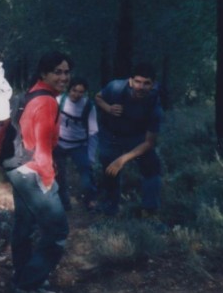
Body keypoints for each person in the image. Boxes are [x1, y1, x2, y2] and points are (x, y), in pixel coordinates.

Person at [5, 52, 72, 293]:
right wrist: (47, 180)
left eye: (66, 72)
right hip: (33, 171)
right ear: (44, 73)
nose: (63, 77)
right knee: (57, 231)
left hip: (16, 168)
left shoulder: (32, 93)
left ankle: (22, 277)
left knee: (24, 225)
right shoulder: (47, 101)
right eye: (57, 71)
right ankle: (28, 282)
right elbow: (42, 146)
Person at [93, 61, 164, 218]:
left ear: (153, 85)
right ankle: (110, 208)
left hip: (136, 137)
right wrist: (108, 108)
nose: (140, 87)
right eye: (137, 81)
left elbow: (149, 142)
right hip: (110, 134)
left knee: (152, 167)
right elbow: (98, 97)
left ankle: (150, 211)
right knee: (109, 168)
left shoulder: (154, 105)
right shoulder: (115, 87)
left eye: (146, 83)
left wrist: (123, 159)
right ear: (130, 81)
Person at [54, 76, 98, 212]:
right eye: (74, 90)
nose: (77, 94)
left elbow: (93, 131)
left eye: (81, 92)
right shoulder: (58, 101)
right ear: (69, 89)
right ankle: (65, 204)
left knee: (86, 176)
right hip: (59, 144)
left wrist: (90, 155)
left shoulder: (88, 106)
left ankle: (89, 201)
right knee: (59, 175)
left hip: (79, 146)